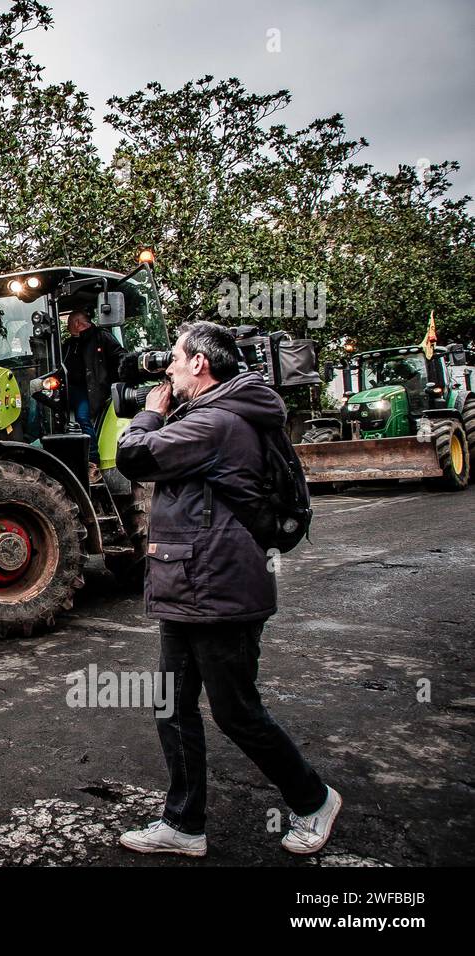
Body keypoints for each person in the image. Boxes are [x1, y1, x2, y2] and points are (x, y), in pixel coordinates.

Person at [114, 320, 341, 857]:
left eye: (173, 357)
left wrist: (151, 409)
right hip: (192, 585)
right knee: (172, 706)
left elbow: (134, 457)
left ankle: (313, 800)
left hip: (220, 590)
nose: (166, 367)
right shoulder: (212, 415)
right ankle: (183, 824)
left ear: (199, 363)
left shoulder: (216, 422)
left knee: (237, 712)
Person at [61, 307, 128, 482]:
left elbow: (120, 357)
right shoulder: (68, 345)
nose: (68, 328)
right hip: (67, 389)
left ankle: (92, 461)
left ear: (76, 323)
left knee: (83, 417)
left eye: (69, 323)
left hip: (90, 389)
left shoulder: (101, 337)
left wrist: (117, 381)